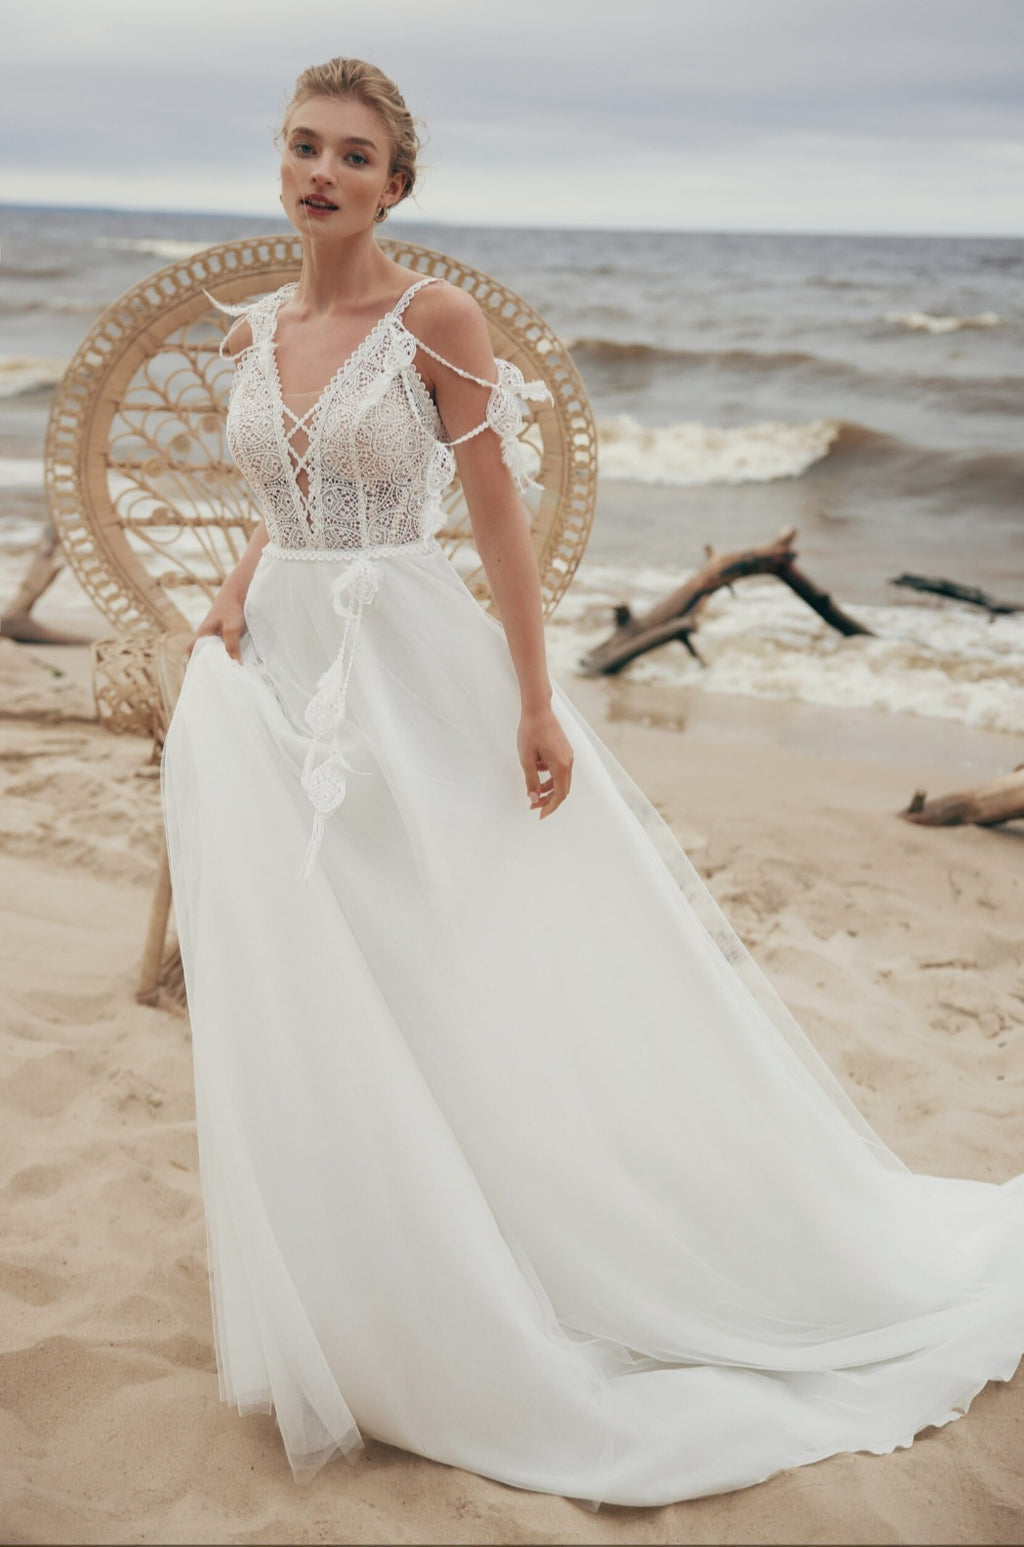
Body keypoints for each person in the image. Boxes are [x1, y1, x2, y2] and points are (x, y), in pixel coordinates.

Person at [161, 56, 1024, 1509]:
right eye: (305, 147)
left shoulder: (432, 318)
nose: (324, 173)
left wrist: (537, 696)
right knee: (340, 957)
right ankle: (390, 1233)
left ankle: (553, 1235)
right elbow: (285, 494)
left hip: (413, 668)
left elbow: (489, 506)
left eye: (355, 156)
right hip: (287, 669)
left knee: (461, 940)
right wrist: (238, 590)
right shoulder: (261, 330)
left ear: (396, 183)